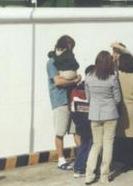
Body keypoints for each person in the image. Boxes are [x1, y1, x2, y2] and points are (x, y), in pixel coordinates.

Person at [84, 51, 121, 185]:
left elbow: (88, 97)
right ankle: (104, 176)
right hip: (110, 114)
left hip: (94, 114)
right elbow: (118, 99)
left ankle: (89, 174)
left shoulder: (88, 77)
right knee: (108, 144)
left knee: (96, 144)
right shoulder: (112, 78)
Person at [46, 35, 81, 171]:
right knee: (60, 131)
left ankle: (82, 156)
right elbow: (58, 81)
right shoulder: (52, 62)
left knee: (76, 130)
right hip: (60, 100)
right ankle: (61, 160)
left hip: (71, 99)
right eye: (70, 46)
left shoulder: (69, 61)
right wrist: (74, 81)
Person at [71, 65, 94, 178]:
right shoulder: (92, 88)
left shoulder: (76, 89)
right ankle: (90, 169)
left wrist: (78, 122)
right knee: (92, 144)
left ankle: (78, 168)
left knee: (84, 144)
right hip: (91, 121)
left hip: (80, 122)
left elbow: (73, 109)